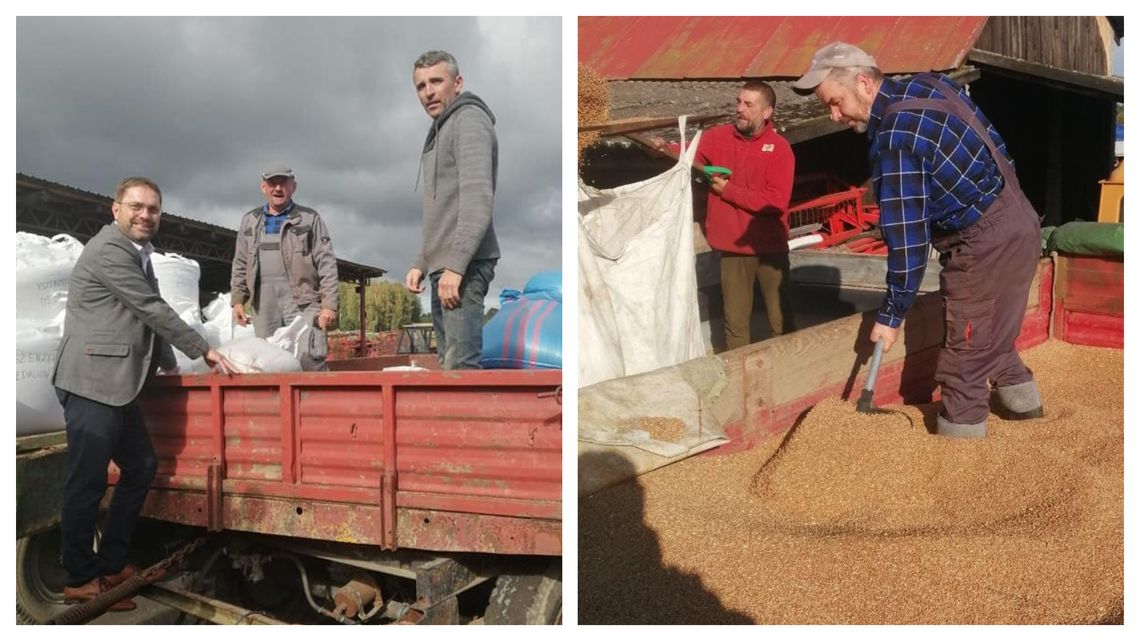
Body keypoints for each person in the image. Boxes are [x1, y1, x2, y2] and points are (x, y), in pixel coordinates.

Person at [794, 42, 1044, 438]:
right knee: (991, 334)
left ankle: (953, 470)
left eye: (836, 102)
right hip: (1019, 217)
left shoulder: (894, 137)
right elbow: (996, 145)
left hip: (982, 241)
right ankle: (1028, 412)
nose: (835, 115)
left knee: (965, 359)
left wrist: (891, 316)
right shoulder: (931, 85)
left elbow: (908, 242)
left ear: (862, 83)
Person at [52, 177, 235, 610]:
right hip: (92, 380)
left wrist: (171, 362)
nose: (145, 215)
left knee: (141, 465)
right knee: (87, 482)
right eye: (136, 206)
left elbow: (146, 311)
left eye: (153, 208)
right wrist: (203, 350)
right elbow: (150, 308)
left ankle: (112, 564)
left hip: (118, 384)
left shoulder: (140, 255)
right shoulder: (110, 250)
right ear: (115, 209)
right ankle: (80, 578)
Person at [641, 81, 796, 351]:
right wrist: (661, 148)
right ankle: (738, 380)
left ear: (767, 112)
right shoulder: (718, 138)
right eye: (738, 102)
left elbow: (775, 202)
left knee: (781, 321)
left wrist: (728, 191)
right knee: (735, 324)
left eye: (748, 105)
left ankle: (790, 376)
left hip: (770, 250)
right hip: (733, 249)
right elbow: (686, 152)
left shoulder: (779, 149)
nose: (740, 109)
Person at [405, 50, 500, 370]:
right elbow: (442, 208)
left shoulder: (469, 120)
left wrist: (456, 267)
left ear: (457, 83)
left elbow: (477, 198)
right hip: (444, 266)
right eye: (420, 86)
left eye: (436, 81)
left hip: (466, 264)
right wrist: (422, 260)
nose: (428, 91)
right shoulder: (441, 129)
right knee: (449, 365)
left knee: (461, 368)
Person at [231, 164, 339, 370]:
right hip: (264, 304)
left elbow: (327, 263)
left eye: (283, 183)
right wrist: (237, 301)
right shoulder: (250, 221)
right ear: (264, 187)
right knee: (267, 363)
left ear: (293, 186)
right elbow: (240, 262)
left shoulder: (310, 219)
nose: (278, 188)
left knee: (309, 358)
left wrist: (329, 305)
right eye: (273, 183)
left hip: (303, 303)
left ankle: (314, 401)